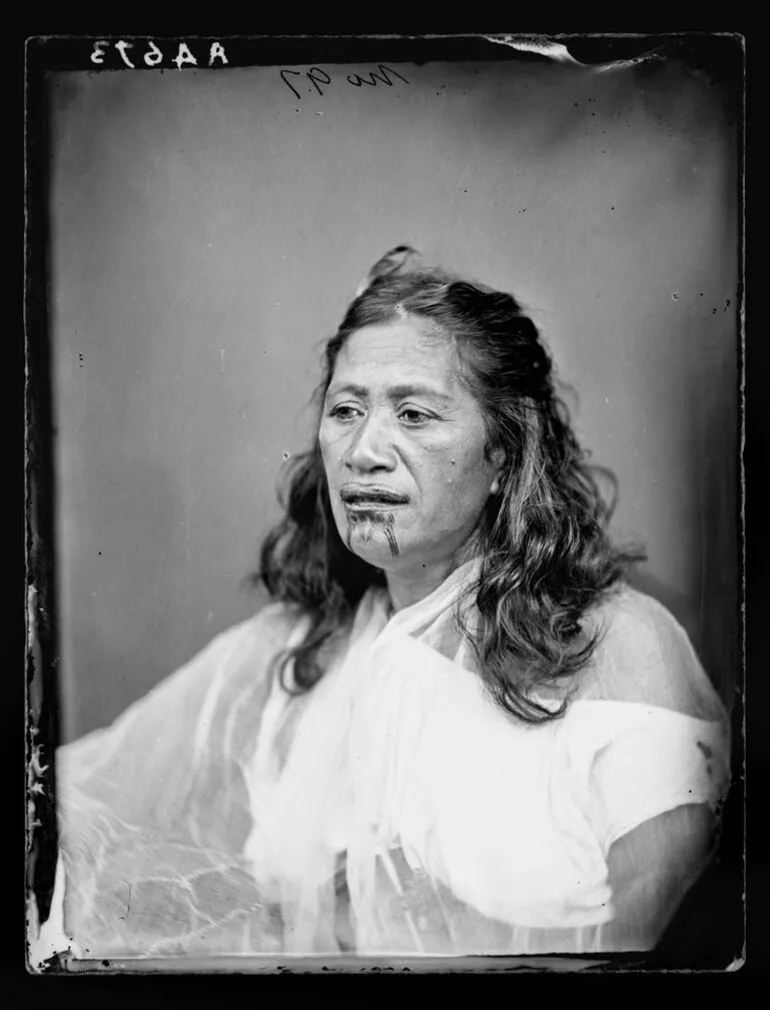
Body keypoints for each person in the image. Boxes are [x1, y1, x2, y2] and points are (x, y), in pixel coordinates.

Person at [40, 246, 731, 960]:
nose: (365, 450)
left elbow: (656, 955)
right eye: (346, 410)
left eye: (413, 413)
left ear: (504, 452)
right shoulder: (298, 653)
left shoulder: (622, 652)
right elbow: (72, 807)